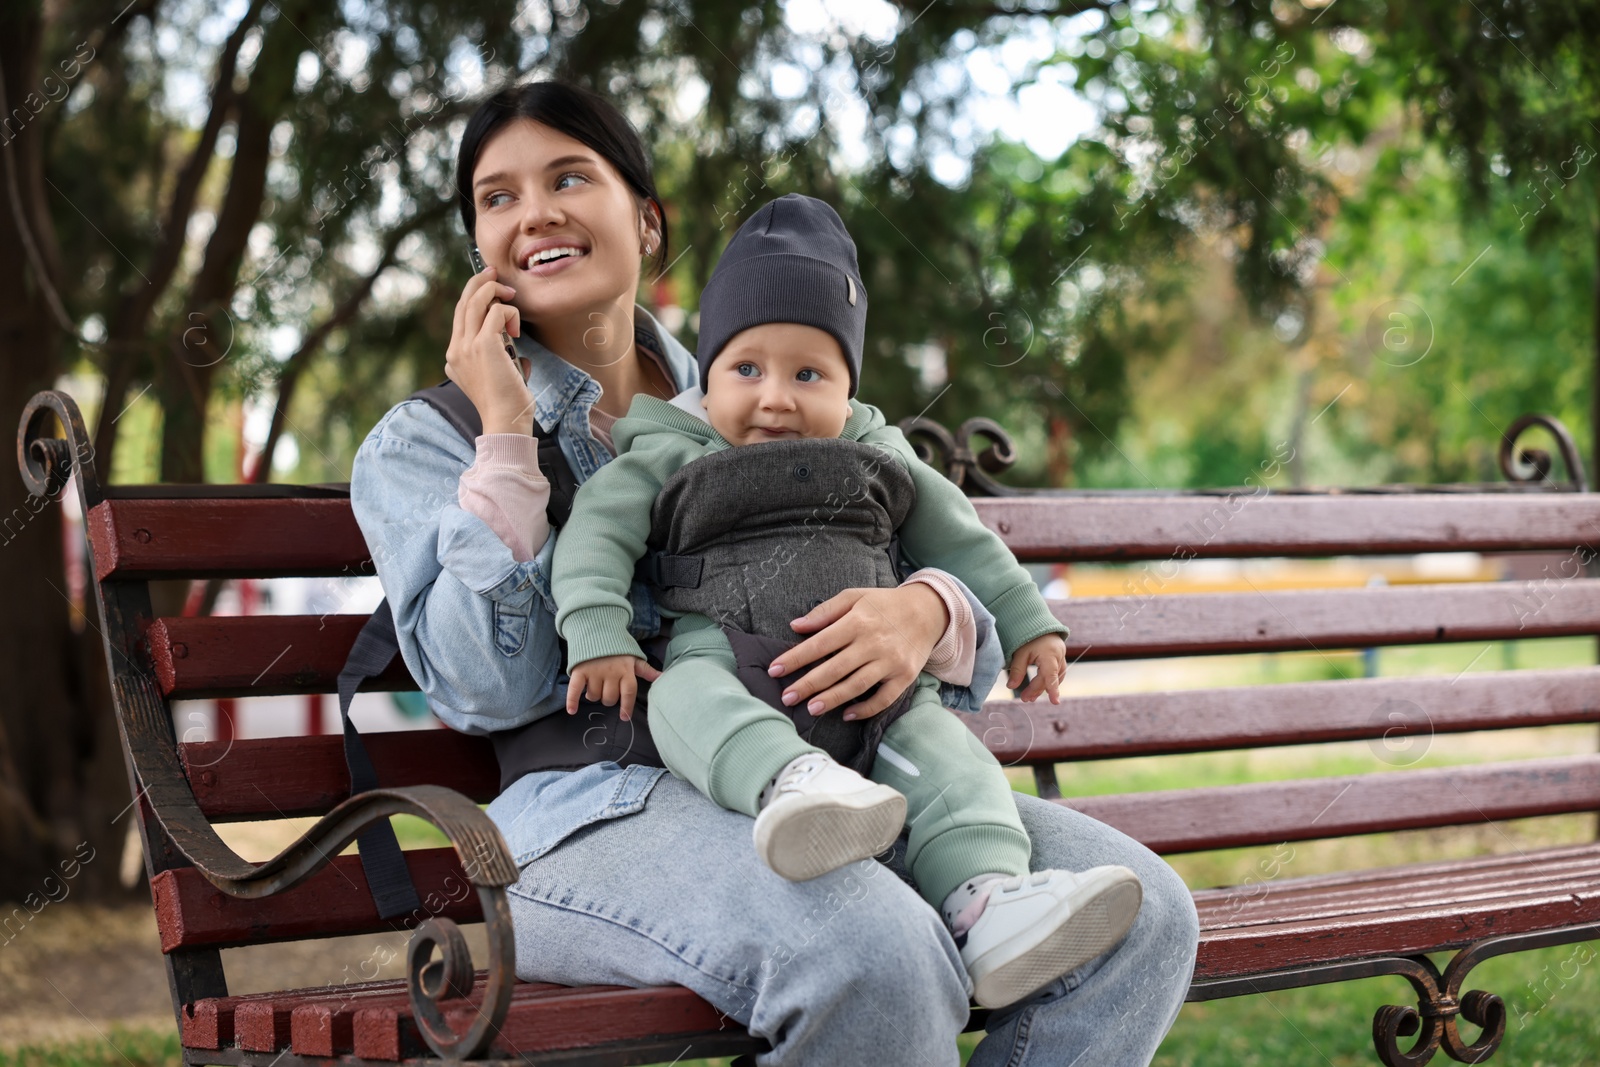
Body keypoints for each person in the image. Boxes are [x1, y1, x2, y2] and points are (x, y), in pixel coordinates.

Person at [350, 79, 1199, 1065]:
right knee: (876, 952)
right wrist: (505, 436)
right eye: (496, 197)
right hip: (594, 814)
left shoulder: (774, 366)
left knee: (1145, 919)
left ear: (647, 218)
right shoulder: (427, 441)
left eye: (568, 176)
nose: (532, 212)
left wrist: (927, 609)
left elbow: (942, 561)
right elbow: (483, 689)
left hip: (838, 771)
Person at [549, 192, 1143, 1009]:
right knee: (681, 698)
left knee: (948, 755)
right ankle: (789, 784)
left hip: (879, 695)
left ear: (850, 384)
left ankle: (991, 901)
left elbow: (962, 538)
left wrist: (1029, 619)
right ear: (710, 372)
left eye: (809, 373)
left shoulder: (876, 449)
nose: (776, 398)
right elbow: (594, 537)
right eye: (746, 369)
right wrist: (598, 630)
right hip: (725, 657)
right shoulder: (665, 449)